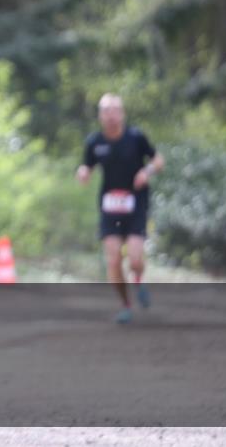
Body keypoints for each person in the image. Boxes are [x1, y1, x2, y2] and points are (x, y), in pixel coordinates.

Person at [76, 93, 164, 324]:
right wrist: (84, 172)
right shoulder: (95, 142)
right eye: (106, 111)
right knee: (113, 259)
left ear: (122, 114)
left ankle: (138, 279)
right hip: (110, 206)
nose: (111, 116)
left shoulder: (136, 138)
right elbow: (87, 164)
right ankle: (125, 305)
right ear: (99, 116)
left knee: (135, 258)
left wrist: (147, 172)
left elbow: (158, 161)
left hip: (136, 203)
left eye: (115, 111)